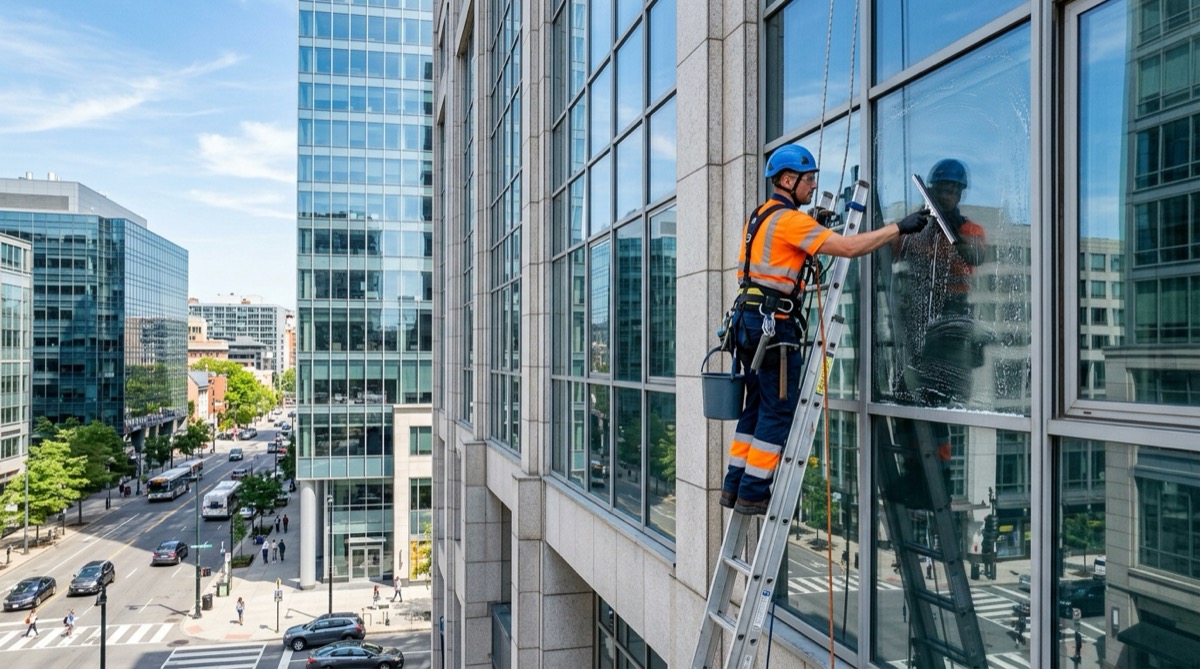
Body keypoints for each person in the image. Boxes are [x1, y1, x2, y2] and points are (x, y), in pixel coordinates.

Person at [720, 144, 930, 515]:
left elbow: (778, 259)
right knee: (779, 410)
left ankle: (735, 486)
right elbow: (848, 248)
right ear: (788, 179)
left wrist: (812, 227)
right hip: (774, 327)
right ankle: (754, 491)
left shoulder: (761, 217)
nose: (813, 185)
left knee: (754, 408)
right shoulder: (791, 222)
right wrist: (899, 227)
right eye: (809, 178)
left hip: (748, 323)